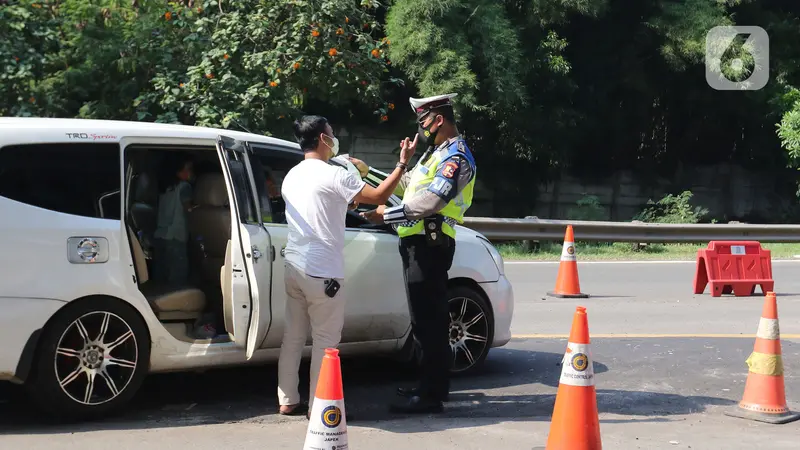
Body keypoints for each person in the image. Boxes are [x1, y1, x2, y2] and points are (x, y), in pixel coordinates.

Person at [277, 115, 417, 418]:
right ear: (323, 140)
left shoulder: (291, 175)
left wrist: (349, 201)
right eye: (331, 132)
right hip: (322, 271)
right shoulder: (334, 176)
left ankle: (287, 398)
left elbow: (338, 204)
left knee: (294, 337)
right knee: (326, 342)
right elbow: (378, 196)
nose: (334, 136)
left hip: (294, 266)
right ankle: (319, 406)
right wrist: (402, 164)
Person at [359, 93, 477, 414]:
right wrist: (368, 171)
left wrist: (387, 216)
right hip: (416, 244)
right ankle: (428, 384)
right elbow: (405, 186)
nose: (420, 128)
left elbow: (433, 201)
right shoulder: (433, 154)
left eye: (423, 121)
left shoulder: (456, 157)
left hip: (431, 245)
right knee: (422, 321)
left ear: (438, 120)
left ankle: (432, 396)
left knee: (431, 322)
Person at [153, 153, 195, 287]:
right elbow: (189, 209)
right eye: (188, 169)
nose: (191, 173)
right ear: (178, 172)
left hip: (160, 234)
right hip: (176, 235)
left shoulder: (165, 188)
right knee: (178, 274)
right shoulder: (185, 187)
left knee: (161, 271)